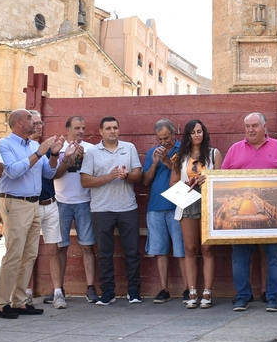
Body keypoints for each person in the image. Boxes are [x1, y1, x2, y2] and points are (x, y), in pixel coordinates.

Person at [0, 109, 62, 319]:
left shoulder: (33, 146)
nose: (35, 122)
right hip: (14, 201)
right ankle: (1, 303)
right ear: (19, 123)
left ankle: (20, 301)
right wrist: (40, 152)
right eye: (30, 119)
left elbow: (49, 173)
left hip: (33, 203)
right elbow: (12, 171)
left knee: (30, 253)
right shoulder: (6, 144)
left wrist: (55, 154)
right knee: (14, 253)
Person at [223, 112, 277, 311]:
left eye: (254, 126)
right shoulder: (234, 149)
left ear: (264, 126)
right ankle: (242, 296)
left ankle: (273, 297)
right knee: (240, 257)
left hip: (274, 218)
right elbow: (221, 178)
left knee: (276, 257)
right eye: (247, 126)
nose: (251, 130)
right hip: (241, 220)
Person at [81, 116, 144, 306]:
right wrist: (109, 176)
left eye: (115, 127)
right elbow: (85, 181)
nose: (112, 131)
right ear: (101, 131)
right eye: (108, 128)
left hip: (127, 207)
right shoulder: (92, 152)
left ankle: (134, 290)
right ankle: (108, 291)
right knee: (105, 252)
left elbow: (138, 175)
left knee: (132, 250)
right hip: (101, 208)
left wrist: (126, 176)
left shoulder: (129, 147)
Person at [171, 119, 223, 309]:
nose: (197, 135)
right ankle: (192, 291)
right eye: (193, 132)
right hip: (187, 201)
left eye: (199, 131)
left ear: (204, 133)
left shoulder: (213, 153)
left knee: (207, 248)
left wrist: (208, 179)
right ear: (188, 135)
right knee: (190, 248)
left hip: (209, 202)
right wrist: (185, 185)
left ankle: (207, 292)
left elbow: (222, 180)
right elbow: (172, 183)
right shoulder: (180, 157)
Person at [51, 116, 98, 307]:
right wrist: (69, 159)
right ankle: (58, 290)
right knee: (60, 247)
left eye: (83, 127)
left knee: (87, 246)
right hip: (61, 202)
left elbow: (95, 173)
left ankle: (90, 287)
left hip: (84, 202)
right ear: (67, 129)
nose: (81, 131)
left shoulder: (91, 149)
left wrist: (84, 159)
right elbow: (53, 174)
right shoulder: (58, 148)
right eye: (77, 127)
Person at [143, 119, 184, 303]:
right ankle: (163, 289)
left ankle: (187, 289)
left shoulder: (183, 149)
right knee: (159, 250)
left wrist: (166, 161)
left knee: (181, 249)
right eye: (159, 139)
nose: (163, 142)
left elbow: (184, 173)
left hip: (178, 205)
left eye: (166, 138)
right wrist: (154, 164)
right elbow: (145, 181)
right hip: (155, 206)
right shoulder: (153, 152)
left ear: (174, 134)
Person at [26, 111, 60, 307]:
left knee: (53, 249)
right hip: (29, 204)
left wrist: (55, 154)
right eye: (36, 122)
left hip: (50, 202)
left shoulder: (46, 146)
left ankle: (57, 292)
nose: (40, 126)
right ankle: (26, 291)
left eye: (41, 122)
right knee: (28, 251)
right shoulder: (22, 147)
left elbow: (50, 173)